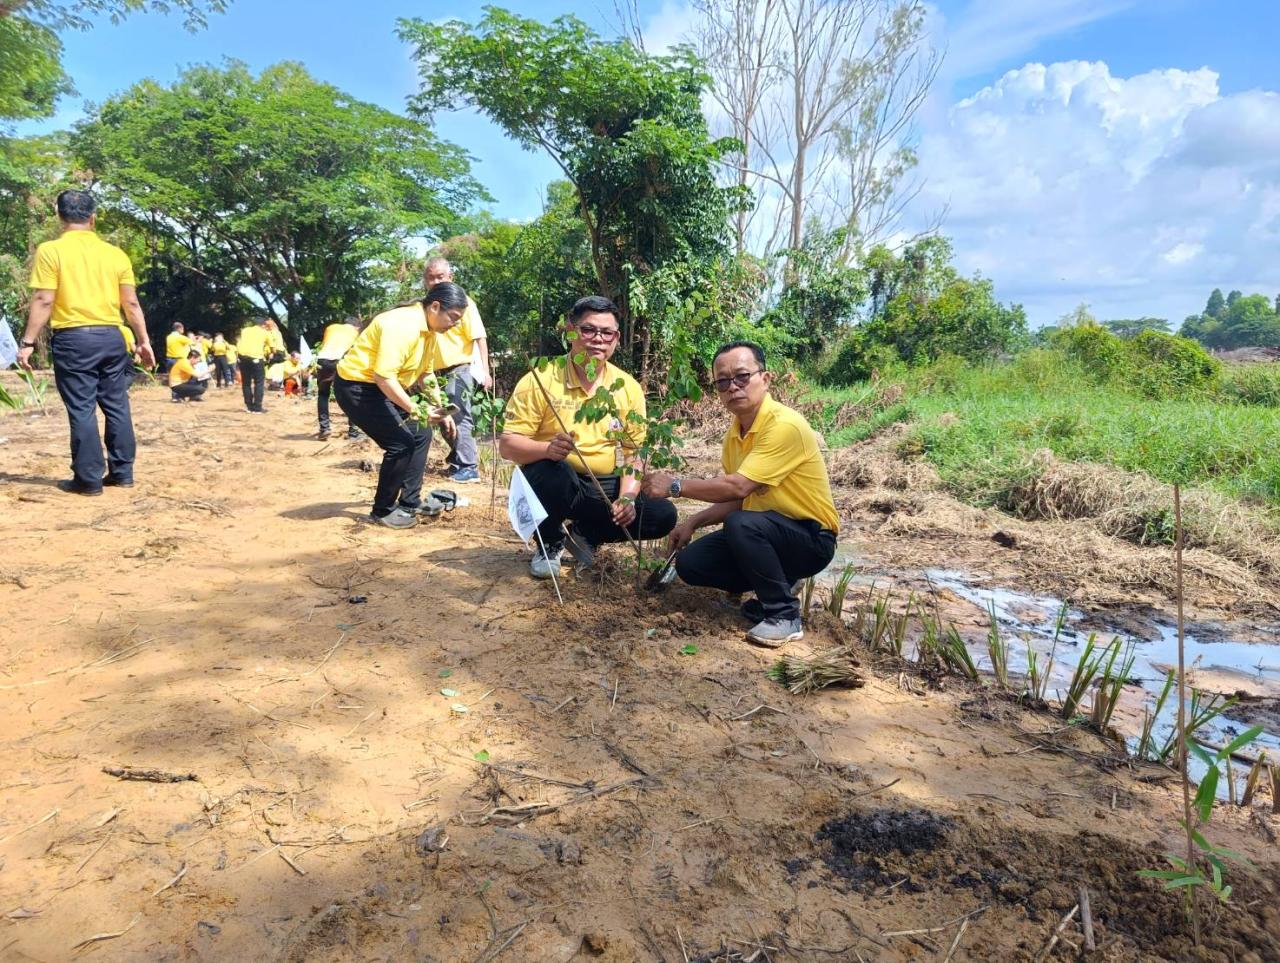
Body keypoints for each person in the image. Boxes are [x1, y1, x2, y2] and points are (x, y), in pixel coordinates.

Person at [642, 341, 839, 647]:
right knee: (691, 563)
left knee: (742, 524)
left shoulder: (785, 425)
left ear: (766, 379)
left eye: (742, 377)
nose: (732, 387)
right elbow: (737, 501)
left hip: (811, 538)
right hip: (765, 530)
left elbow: (738, 487)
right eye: (723, 381)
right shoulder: (734, 434)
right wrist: (692, 522)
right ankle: (779, 584)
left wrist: (675, 485)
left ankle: (784, 615)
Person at [499, 295, 677, 579]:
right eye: (588, 330)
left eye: (607, 332)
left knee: (662, 515)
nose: (598, 339)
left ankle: (586, 535)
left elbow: (634, 452)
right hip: (556, 476)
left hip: (602, 486)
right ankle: (549, 542)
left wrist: (628, 497)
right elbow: (508, 445)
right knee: (549, 474)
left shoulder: (626, 387)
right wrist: (547, 449)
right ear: (571, 332)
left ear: (616, 338)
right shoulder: (541, 377)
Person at [17, 189, 155, 495]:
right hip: (112, 336)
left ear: (60, 216)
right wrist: (143, 341)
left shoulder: (51, 251)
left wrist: (27, 341)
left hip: (74, 337)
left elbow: (43, 299)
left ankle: (89, 479)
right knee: (117, 404)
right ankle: (122, 473)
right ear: (93, 218)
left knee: (82, 408)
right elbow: (131, 304)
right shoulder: (115, 254)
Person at [334, 283, 466, 529]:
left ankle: (409, 502)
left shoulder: (429, 332)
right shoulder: (402, 326)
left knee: (421, 432)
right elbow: (383, 377)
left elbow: (426, 374)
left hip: (381, 386)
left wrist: (442, 408)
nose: (455, 324)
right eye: (454, 317)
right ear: (435, 307)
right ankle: (382, 510)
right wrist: (417, 409)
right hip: (357, 387)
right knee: (400, 443)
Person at [423, 256, 492, 483]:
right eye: (430, 277)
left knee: (460, 414)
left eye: (440, 277)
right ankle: (458, 458)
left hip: (458, 369)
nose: (435, 281)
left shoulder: (464, 302)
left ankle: (469, 467)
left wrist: (485, 371)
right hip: (433, 373)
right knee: (443, 418)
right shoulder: (427, 305)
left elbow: (479, 337)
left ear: (450, 277)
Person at [315, 316, 361, 440]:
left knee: (323, 394)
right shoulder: (356, 333)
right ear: (357, 326)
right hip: (342, 361)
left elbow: (326, 344)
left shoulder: (331, 327)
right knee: (350, 395)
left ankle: (324, 428)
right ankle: (353, 432)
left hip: (323, 360)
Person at [236, 317, 272, 413]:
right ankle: (257, 408)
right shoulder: (265, 332)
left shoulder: (245, 330)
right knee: (259, 383)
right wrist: (271, 352)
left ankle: (249, 406)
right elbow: (272, 346)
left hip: (242, 358)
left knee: (246, 383)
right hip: (256, 358)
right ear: (263, 325)